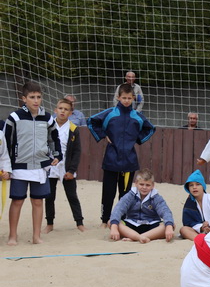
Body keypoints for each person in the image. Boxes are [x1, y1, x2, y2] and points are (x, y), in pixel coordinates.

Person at [88, 83, 155, 227]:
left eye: (129, 98)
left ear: (133, 99)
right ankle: (105, 219)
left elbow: (150, 129)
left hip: (129, 162)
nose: (126, 101)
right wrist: (103, 135)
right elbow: (91, 121)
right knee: (108, 192)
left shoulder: (137, 116)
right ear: (118, 97)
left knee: (125, 193)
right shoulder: (110, 113)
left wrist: (137, 139)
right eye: (123, 98)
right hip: (111, 159)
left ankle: (121, 218)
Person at [4, 81, 61, 245]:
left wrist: (57, 154)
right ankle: (12, 236)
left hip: (40, 166)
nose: (36, 100)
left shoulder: (48, 118)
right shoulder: (14, 117)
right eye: (32, 97)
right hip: (19, 166)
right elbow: (7, 143)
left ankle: (36, 236)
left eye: (38, 97)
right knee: (17, 201)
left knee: (37, 201)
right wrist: (6, 166)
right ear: (24, 99)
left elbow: (54, 138)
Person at [43, 98, 86, 234]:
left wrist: (71, 170)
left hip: (66, 167)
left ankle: (79, 223)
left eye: (66, 109)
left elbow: (77, 151)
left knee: (72, 196)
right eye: (60, 108)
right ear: (55, 110)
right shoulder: (48, 126)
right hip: (50, 166)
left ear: (71, 113)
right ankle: (50, 223)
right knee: (49, 196)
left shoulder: (73, 128)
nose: (62, 111)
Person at [108, 168, 174, 243]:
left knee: (170, 225)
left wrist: (169, 226)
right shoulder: (130, 195)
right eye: (141, 184)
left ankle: (136, 237)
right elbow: (118, 209)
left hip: (151, 225)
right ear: (136, 183)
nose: (144, 187)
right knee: (111, 222)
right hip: (132, 223)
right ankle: (139, 237)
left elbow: (165, 211)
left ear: (152, 185)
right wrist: (113, 227)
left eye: (148, 185)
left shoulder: (156, 197)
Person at [180, 169, 210, 241]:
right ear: (188, 188)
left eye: (197, 184)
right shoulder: (189, 203)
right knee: (183, 230)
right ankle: (202, 241)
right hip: (200, 232)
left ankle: (207, 239)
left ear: (203, 186)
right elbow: (189, 223)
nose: (194, 187)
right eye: (191, 185)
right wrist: (201, 227)